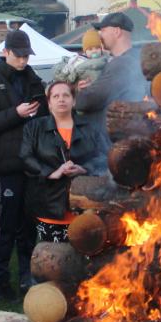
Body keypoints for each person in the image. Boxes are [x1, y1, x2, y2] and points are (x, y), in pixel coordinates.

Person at [0, 29, 46, 298]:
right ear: (6, 52)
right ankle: (0, 281)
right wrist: (15, 114)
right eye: (18, 55)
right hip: (4, 165)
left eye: (27, 55)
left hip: (32, 164)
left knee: (29, 226)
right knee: (5, 226)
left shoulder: (34, 80)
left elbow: (45, 116)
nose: (23, 60)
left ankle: (28, 277)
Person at [21, 80, 106, 243]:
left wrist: (84, 168)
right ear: (49, 103)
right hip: (49, 204)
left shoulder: (90, 127)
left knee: (87, 252)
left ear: (73, 101)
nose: (61, 99)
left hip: (85, 204)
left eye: (66, 95)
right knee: (55, 255)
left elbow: (103, 156)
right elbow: (26, 157)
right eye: (56, 96)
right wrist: (51, 173)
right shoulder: (34, 127)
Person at [75, 12, 149, 161]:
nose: (100, 35)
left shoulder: (121, 64)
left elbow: (88, 101)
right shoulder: (135, 58)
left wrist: (79, 92)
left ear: (117, 31)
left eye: (103, 30)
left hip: (115, 147)